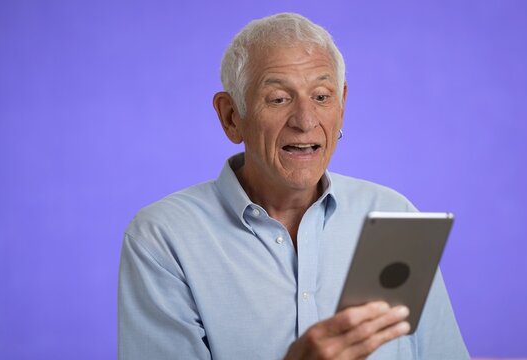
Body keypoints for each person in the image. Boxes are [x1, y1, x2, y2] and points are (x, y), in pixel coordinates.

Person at [118, 12, 469, 359]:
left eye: (321, 96)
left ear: (342, 105)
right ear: (231, 117)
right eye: (278, 99)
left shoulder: (392, 215)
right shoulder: (163, 237)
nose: (305, 121)